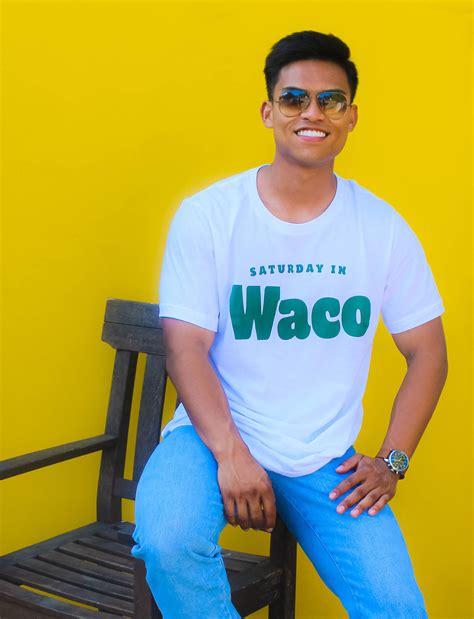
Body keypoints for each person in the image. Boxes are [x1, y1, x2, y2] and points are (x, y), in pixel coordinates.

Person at [131, 30, 448, 618]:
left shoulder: (382, 228)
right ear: (268, 111)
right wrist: (231, 453)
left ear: (351, 117)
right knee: (169, 541)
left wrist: (392, 462)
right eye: (294, 98)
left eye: (331, 100)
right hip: (212, 435)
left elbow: (428, 353)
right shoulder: (210, 216)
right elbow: (185, 348)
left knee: (397, 606)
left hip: (322, 454)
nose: (312, 113)